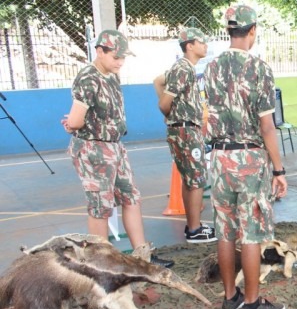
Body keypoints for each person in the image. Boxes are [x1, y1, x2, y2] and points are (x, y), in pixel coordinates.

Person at [62, 29, 173, 268]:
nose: (120, 62)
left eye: (123, 57)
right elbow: (77, 120)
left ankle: (142, 256)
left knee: (131, 197)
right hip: (94, 149)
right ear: (99, 51)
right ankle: (100, 263)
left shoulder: (111, 75)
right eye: (115, 57)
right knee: (100, 207)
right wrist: (71, 125)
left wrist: (73, 123)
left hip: (114, 147)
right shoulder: (87, 78)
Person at [205, 5, 287, 309]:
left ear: (229, 30)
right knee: (251, 232)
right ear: (252, 30)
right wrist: (279, 169)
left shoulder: (211, 67)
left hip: (220, 157)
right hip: (249, 158)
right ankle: (252, 305)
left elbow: (208, 116)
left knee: (225, 231)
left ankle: (230, 299)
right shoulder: (259, 68)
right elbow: (267, 126)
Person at [153, 28, 216, 244]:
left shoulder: (182, 68)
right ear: (189, 45)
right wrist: (170, 115)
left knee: (190, 179)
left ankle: (193, 226)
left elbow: (157, 81)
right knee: (197, 178)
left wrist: (173, 118)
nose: (205, 45)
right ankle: (195, 229)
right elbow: (163, 103)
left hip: (183, 128)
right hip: (186, 130)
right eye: (202, 41)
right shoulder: (184, 68)